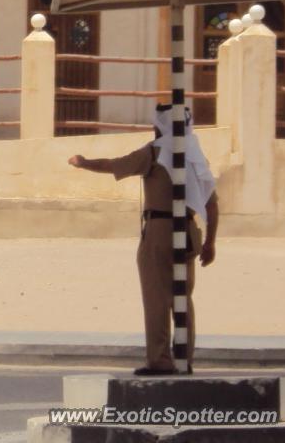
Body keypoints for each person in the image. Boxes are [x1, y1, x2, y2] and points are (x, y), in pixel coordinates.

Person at [68, 105, 219, 376]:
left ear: (161, 125)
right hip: (189, 231)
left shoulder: (155, 152)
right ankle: (184, 358)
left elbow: (114, 165)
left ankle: (160, 361)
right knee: (182, 297)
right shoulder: (196, 158)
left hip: (160, 230)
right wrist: (210, 242)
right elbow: (212, 205)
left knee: (156, 298)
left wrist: (84, 162)